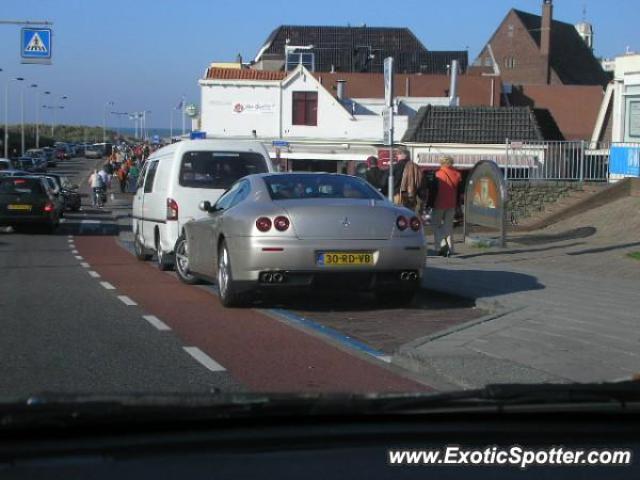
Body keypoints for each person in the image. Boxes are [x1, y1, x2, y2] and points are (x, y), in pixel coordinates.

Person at [431, 156, 462, 257]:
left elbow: (434, 191)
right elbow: (460, 191)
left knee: (435, 224)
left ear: (442, 163)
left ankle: (442, 245)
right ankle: (451, 249)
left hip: (439, 203)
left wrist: (429, 202)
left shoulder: (438, 174)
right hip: (452, 203)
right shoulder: (457, 174)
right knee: (448, 227)